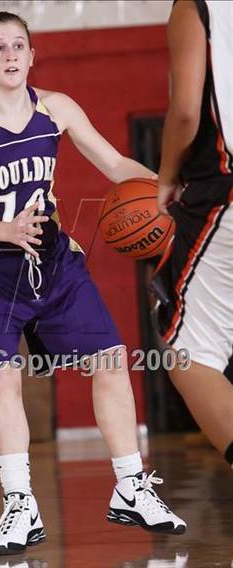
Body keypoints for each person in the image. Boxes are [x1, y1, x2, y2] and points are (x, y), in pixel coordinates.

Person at [0, 11, 186, 556]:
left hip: (51, 260)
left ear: (31, 55)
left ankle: (131, 486)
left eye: (18, 45)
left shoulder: (58, 108)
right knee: (3, 376)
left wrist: (167, 185)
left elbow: (115, 164)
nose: (9, 54)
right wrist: (7, 230)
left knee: (111, 360)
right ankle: (19, 502)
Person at [153, 0, 233, 466]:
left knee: (186, 350)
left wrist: (166, 177)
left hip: (224, 187)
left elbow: (185, 111)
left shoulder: (196, 6)